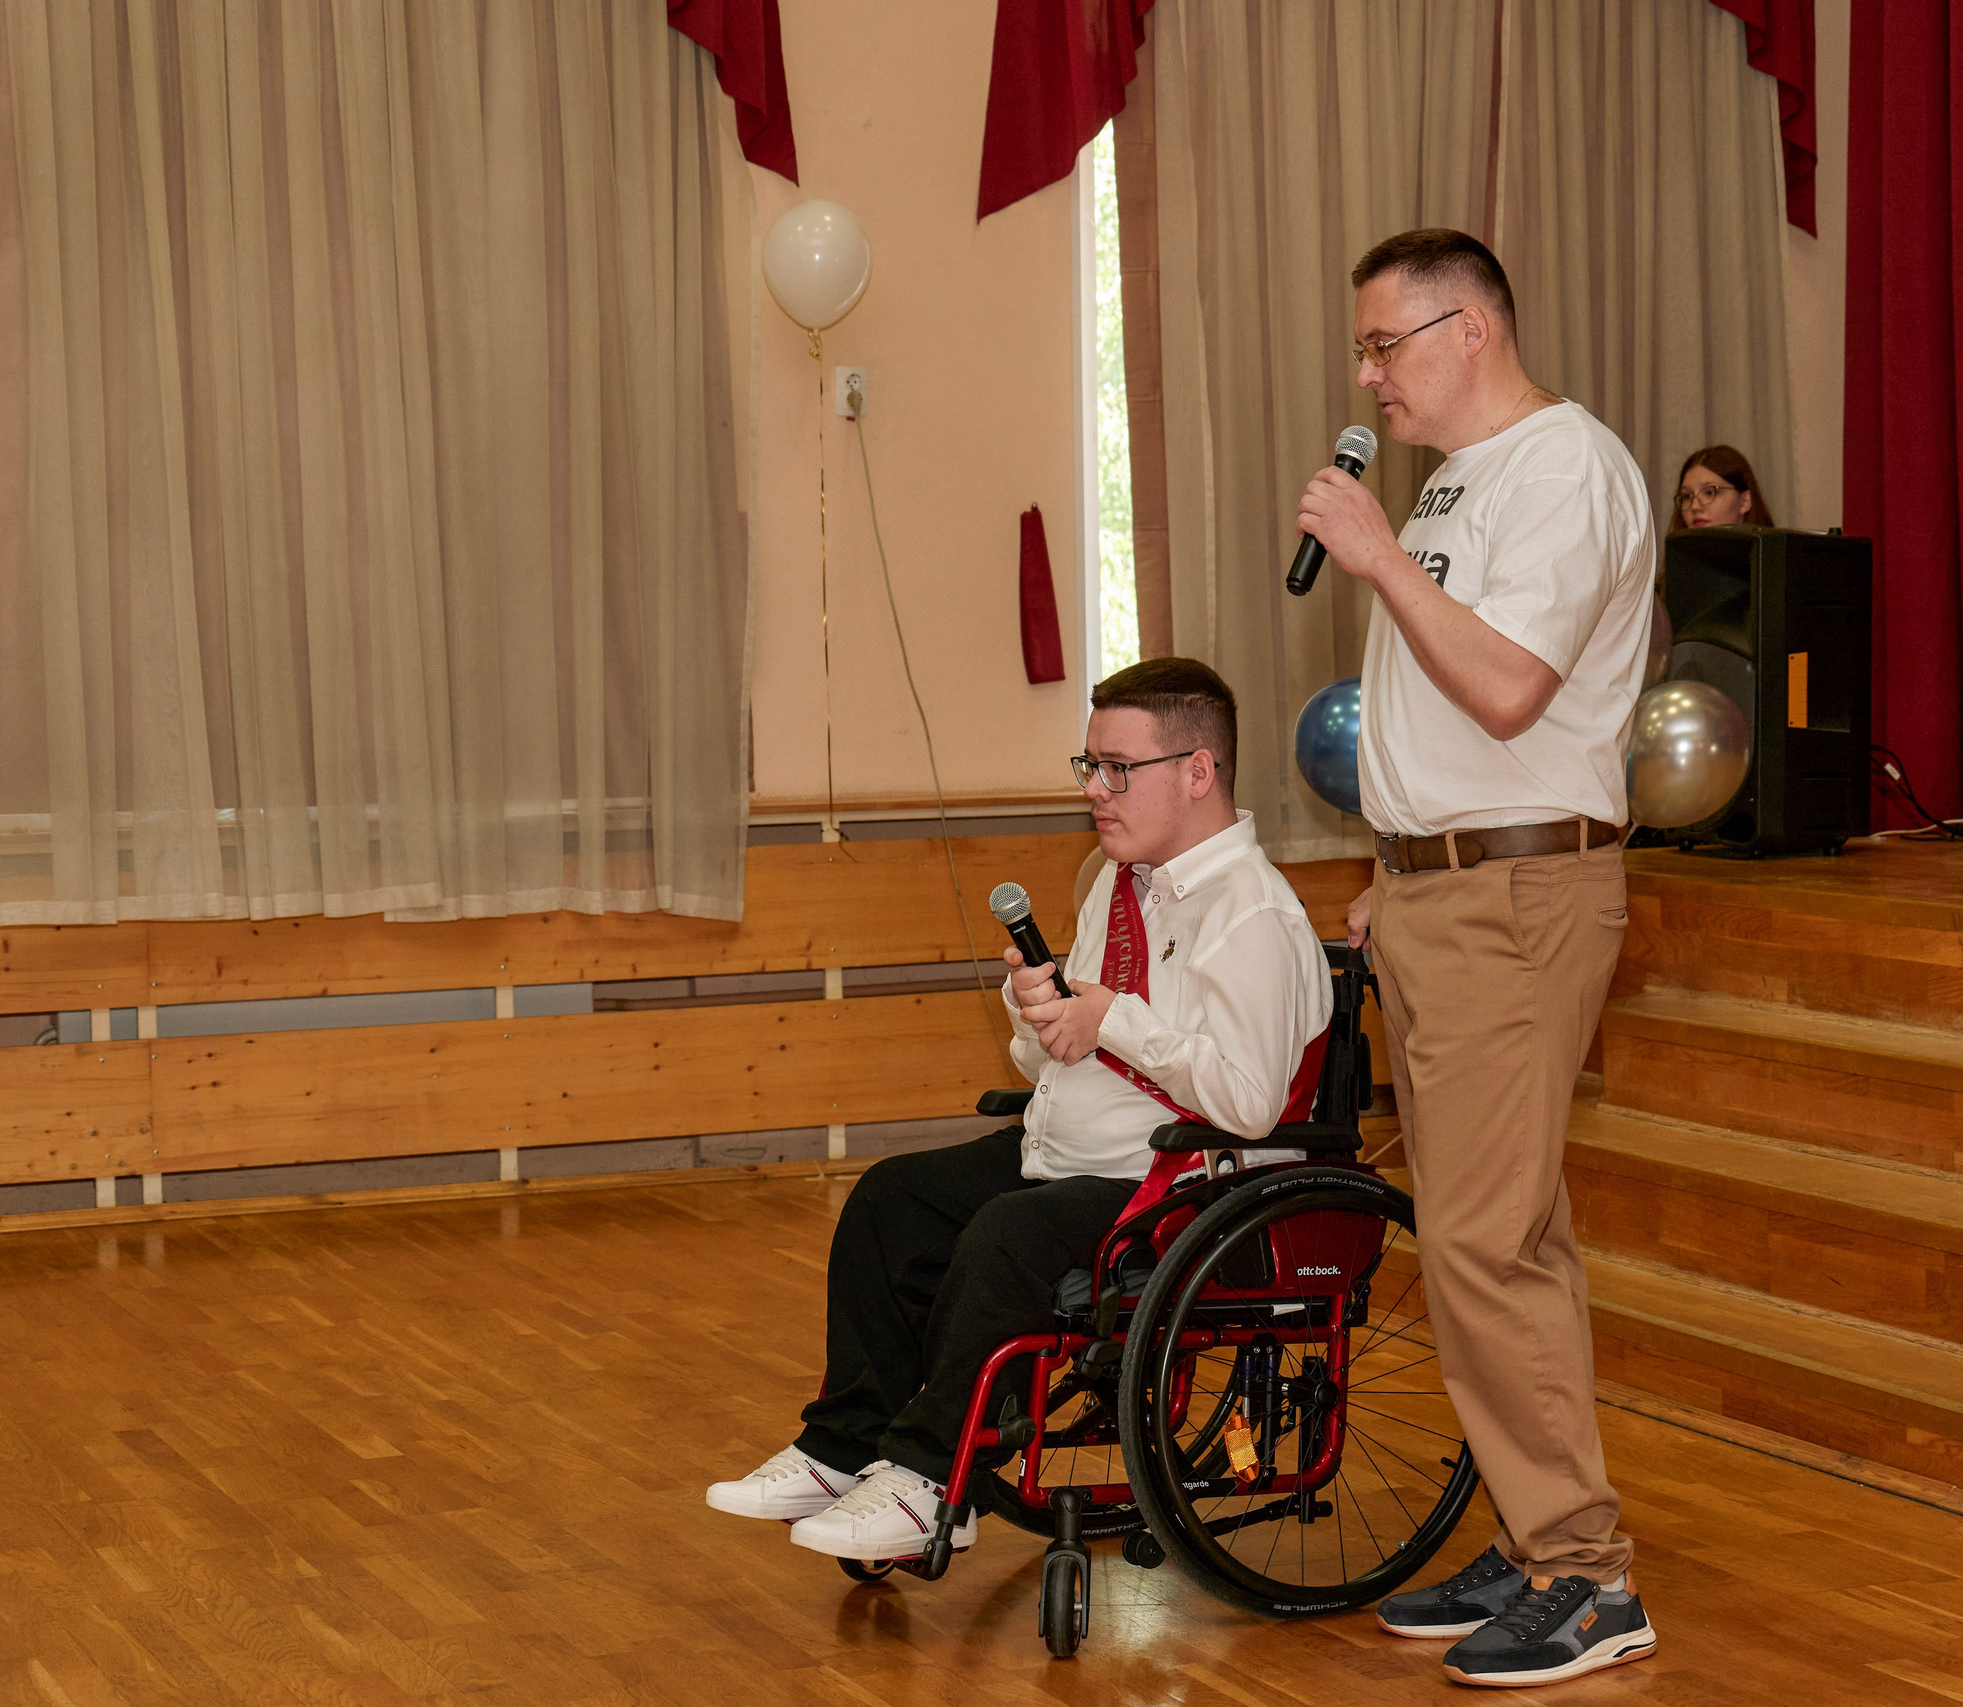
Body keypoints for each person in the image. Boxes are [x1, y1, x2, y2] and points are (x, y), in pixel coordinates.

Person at [705, 657, 1332, 1563]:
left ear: (1199, 772)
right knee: (892, 1200)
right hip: (1078, 1154)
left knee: (1008, 1233)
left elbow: (1249, 1100)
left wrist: (1114, 1014)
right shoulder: (1121, 881)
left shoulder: (1252, 914)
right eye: (1089, 766)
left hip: (1187, 1186)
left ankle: (933, 1481)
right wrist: (1040, 1015)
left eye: (1120, 768)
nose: (1097, 791)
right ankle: (843, 1445)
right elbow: (1059, 1057)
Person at [1292, 228, 1658, 1689]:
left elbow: (1510, 688)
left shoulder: (1566, 467)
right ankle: (1536, 1528)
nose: (1367, 374)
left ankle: (1588, 1575)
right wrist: (1400, 861)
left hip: (1520, 899)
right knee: (1502, 1234)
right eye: (1365, 349)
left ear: (1472, 330)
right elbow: (1447, 711)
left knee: (1484, 1243)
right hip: (1451, 891)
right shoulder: (1455, 479)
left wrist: (1376, 556)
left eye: (1386, 344)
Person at [1671, 443, 1775, 531]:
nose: (1694, 507)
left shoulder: (1776, 554)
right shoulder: (1673, 554)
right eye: (1687, 496)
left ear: (1744, 502)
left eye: (1709, 493)